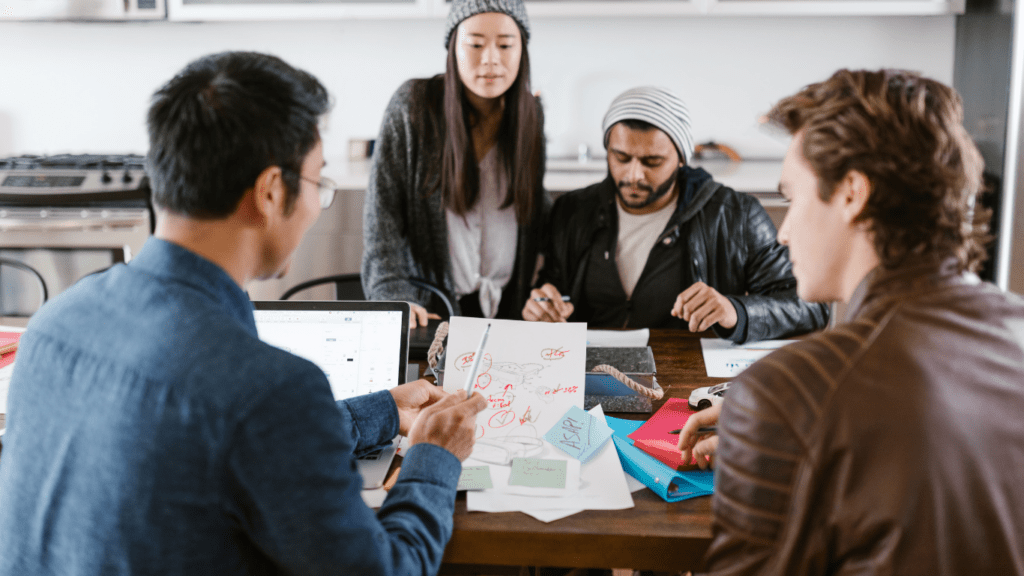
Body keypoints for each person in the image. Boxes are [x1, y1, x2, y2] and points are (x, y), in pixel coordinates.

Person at [0, 51, 487, 576]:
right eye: (318, 186)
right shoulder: (271, 392)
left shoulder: (54, 324)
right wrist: (434, 456)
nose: (313, 209)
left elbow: (217, 441)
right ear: (272, 191)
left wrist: (383, 410)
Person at [677, 69, 1024, 575]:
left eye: (793, 199)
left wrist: (778, 423)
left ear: (852, 194)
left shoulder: (784, 395)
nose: (784, 233)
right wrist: (782, 442)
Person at [523, 86, 828, 343]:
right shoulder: (573, 211)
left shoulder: (735, 215)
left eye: (652, 161)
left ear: (681, 158)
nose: (633, 175)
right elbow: (553, 289)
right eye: (621, 157)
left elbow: (810, 306)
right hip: (588, 379)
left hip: (687, 390)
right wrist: (540, 307)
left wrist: (736, 311)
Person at [362, 0, 547, 328]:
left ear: (522, 50)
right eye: (475, 44)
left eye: (505, 45)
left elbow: (532, 209)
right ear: (453, 48)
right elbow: (383, 216)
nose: (491, 59)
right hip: (430, 312)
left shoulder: (530, 116)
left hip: (507, 309)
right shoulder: (413, 104)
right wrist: (392, 294)